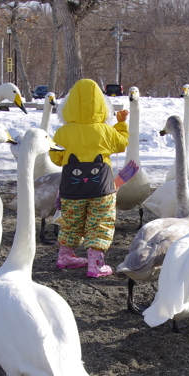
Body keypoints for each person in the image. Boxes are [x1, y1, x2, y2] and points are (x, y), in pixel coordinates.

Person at [50, 78, 129, 278]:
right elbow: (121, 145)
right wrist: (120, 125)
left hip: (72, 188)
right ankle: (96, 264)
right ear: (102, 105)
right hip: (101, 188)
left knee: (71, 221)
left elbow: (56, 158)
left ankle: (65, 256)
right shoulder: (106, 131)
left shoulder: (62, 132)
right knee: (100, 222)